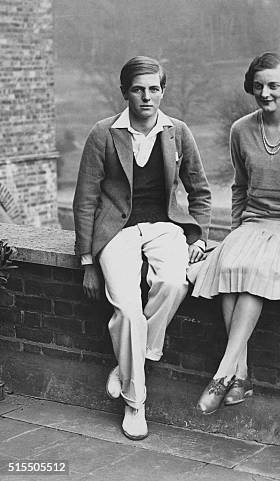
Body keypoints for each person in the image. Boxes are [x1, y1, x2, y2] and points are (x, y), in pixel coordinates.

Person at [73, 56, 211, 440]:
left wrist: (197, 237)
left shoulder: (177, 132)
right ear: (125, 92)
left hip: (166, 227)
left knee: (173, 283)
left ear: (162, 91)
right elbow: (85, 199)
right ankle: (135, 403)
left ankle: (130, 362)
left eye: (154, 89)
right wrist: (88, 261)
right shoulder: (103, 133)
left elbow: (199, 190)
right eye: (138, 89)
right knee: (128, 308)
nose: (146, 97)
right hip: (116, 231)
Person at [188, 52, 280, 414]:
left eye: (273, 86)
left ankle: (224, 372)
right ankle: (242, 375)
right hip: (255, 224)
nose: (265, 93)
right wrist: (236, 236)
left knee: (251, 272)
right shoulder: (241, 130)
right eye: (258, 86)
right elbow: (240, 187)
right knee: (231, 265)